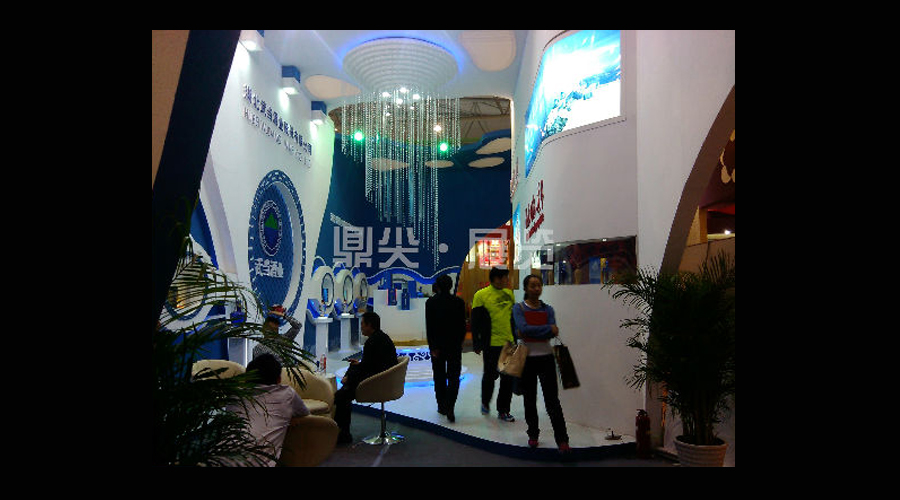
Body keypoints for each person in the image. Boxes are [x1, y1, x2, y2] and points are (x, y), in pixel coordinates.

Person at [511, 274, 570, 453]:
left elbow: (552, 331)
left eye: (539, 285)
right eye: (533, 286)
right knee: (529, 399)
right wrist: (545, 329)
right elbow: (524, 329)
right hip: (527, 359)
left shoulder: (548, 309)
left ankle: (562, 440)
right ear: (526, 288)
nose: (537, 289)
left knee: (552, 401)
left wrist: (530, 332)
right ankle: (533, 435)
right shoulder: (518, 308)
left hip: (546, 358)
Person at [227, 353, 310, 466]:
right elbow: (304, 412)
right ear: (279, 379)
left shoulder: (235, 395)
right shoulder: (287, 394)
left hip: (217, 458)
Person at [333, 311, 398, 444]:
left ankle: (343, 434)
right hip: (384, 378)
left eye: (362, 324)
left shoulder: (372, 342)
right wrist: (358, 366)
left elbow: (370, 369)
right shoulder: (382, 338)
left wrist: (350, 377)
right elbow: (372, 365)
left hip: (377, 382)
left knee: (341, 396)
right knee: (352, 370)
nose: (361, 327)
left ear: (370, 325)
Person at [471, 266, 516, 422]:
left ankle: (503, 410)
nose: (508, 280)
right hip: (491, 344)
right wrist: (476, 343)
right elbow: (475, 321)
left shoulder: (509, 294)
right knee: (490, 376)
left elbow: (512, 318)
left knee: (507, 379)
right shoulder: (481, 295)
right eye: (505, 277)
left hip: (508, 343)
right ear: (497, 278)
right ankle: (485, 401)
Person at [425, 274, 466, 422]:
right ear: (450, 286)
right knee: (454, 377)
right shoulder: (459, 302)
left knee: (439, 376)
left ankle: (442, 405)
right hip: (454, 345)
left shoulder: (431, 302)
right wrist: (460, 342)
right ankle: (450, 406)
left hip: (438, 346)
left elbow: (429, 326)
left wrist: (432, 346)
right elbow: (462, 325)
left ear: (437, 286)